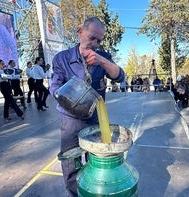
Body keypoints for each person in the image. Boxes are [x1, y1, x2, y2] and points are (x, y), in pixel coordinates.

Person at [50, 17, 125, 197]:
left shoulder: (103, 57)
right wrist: (70, 98)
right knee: (70, 160)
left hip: (94, 118)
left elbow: (120, 76)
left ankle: (93, 192)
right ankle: (75, 194)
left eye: (99, 40)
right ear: (80, 33)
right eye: (92, 38)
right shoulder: (62, 58)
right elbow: (54, 87)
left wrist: (101, 61)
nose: (95, 43)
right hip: (70, 119)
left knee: (96, 160)